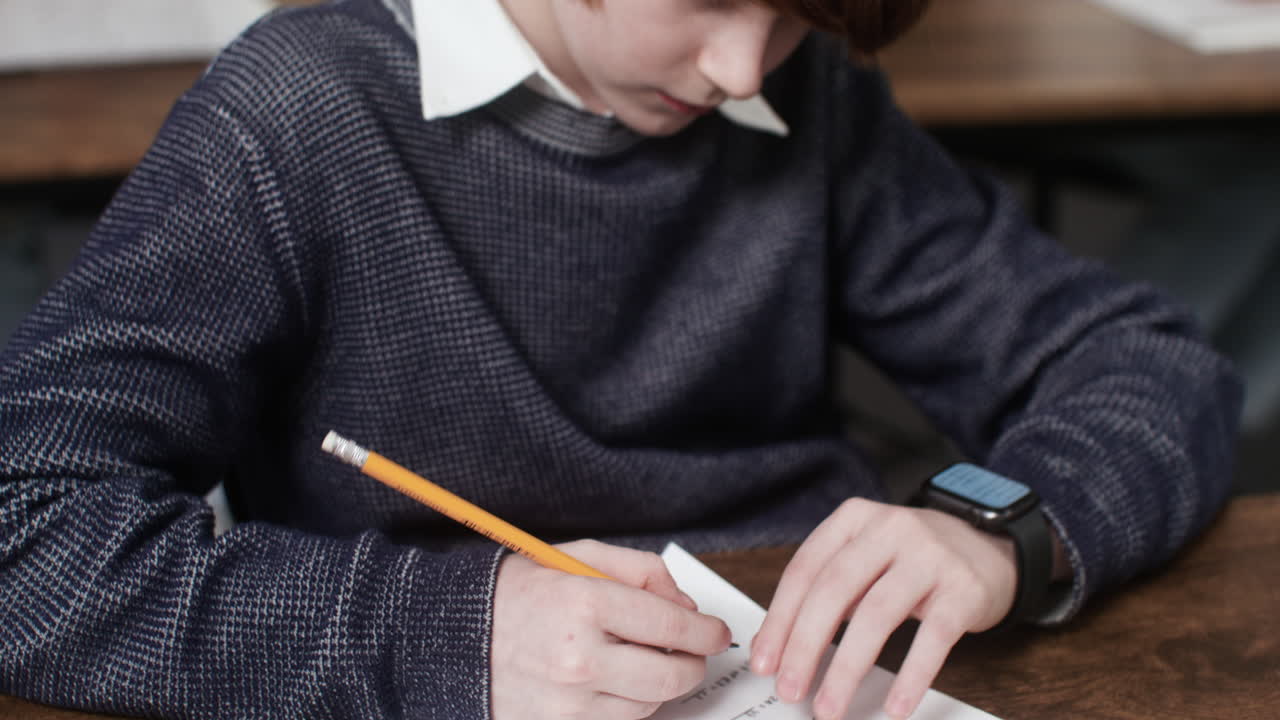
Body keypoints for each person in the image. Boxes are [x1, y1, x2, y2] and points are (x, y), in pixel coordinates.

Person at [0, 0, 1242, 719]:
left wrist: (995, 525)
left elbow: (1139, 361)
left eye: (791, 12)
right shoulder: (292, 117)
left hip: (798, 666)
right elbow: (25, 524)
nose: (743, 67)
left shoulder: (808, 99)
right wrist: (451, 639)